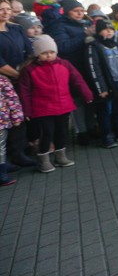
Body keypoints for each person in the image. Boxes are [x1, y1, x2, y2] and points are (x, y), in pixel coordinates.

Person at [18, 35, 93, 173]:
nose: (49, 56)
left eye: (52, 52)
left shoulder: (64, 64)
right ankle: (43, 160)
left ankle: (60, 156)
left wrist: (87, 94)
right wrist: (27, 110)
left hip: (63, 105)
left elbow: (77, 79)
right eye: (44, 53)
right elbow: (24, 91)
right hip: (42, 108)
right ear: (37, 54)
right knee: (47, 133)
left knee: (61, 131)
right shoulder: (30, 70)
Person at [45, 0, 98, 143]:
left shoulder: (85, 23)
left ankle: (91, 126)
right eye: (76, 11)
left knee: (90, 98)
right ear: (67, 12)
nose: (80, 14)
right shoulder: (59, 26)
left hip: (88, 66)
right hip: (72, 67)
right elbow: (62, 47)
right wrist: (85, 34)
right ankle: (81, 131)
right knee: (78, 100)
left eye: (82, 11)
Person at [85, 20, 118, 148]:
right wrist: (100, 88)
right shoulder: (94, 46)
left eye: (111, 29)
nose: (109, 32)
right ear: (98, 31)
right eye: (105, 29)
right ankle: (107, 136)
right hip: (106, 86)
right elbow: (93, 68)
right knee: (105, 111)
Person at [0, 74, 24, 186]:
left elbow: (12, 99)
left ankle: (2, 171)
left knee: (1, 147)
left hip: (1, 121)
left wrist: (16, 117)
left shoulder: (2, 80)